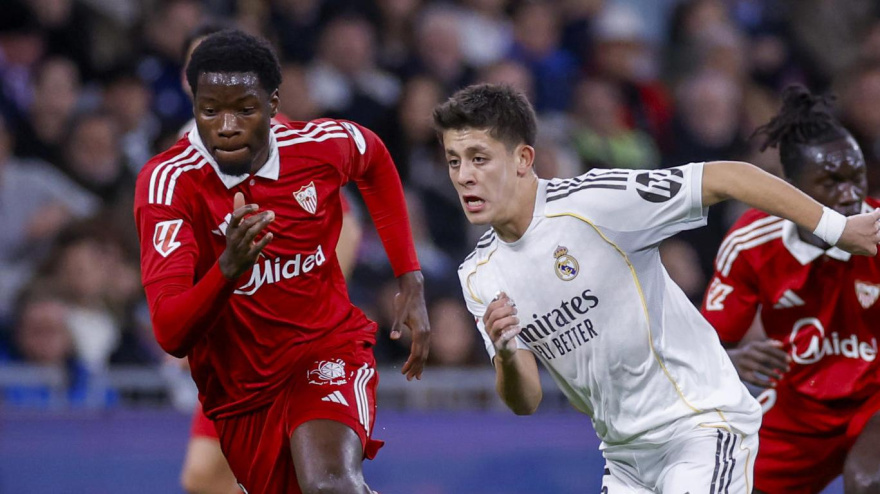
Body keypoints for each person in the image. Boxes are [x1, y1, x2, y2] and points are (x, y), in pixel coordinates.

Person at [432, 83, 880, 492]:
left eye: (479, 157)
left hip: (700, 429)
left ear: (523, 160)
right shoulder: (478, 273)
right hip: (624, 458)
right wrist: (507, 351)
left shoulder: (596, 203)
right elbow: (524, 400)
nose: (464, 176)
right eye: (454, 161)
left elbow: (728, 177)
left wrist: (837, 228)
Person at [134, 30, 430, 494]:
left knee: (330, 485)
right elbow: (170, 332)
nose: (226, 126)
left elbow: (372, 155)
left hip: (324, 347)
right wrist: (227, 269)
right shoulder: (168, 185)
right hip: (240, 387)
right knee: (210, 482)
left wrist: (409, 276)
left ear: (273, 105)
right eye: (211, 110)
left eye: (244, 109)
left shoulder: (316, 146)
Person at [701, 86, 880, 494]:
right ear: (791, 188)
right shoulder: (752, 244)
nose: (850, 196)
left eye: (857, 178)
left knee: (870, 480)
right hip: (799, 407)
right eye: (831, 182)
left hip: (876, 399)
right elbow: (704, 345)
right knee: (725, 484)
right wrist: (734, 358)